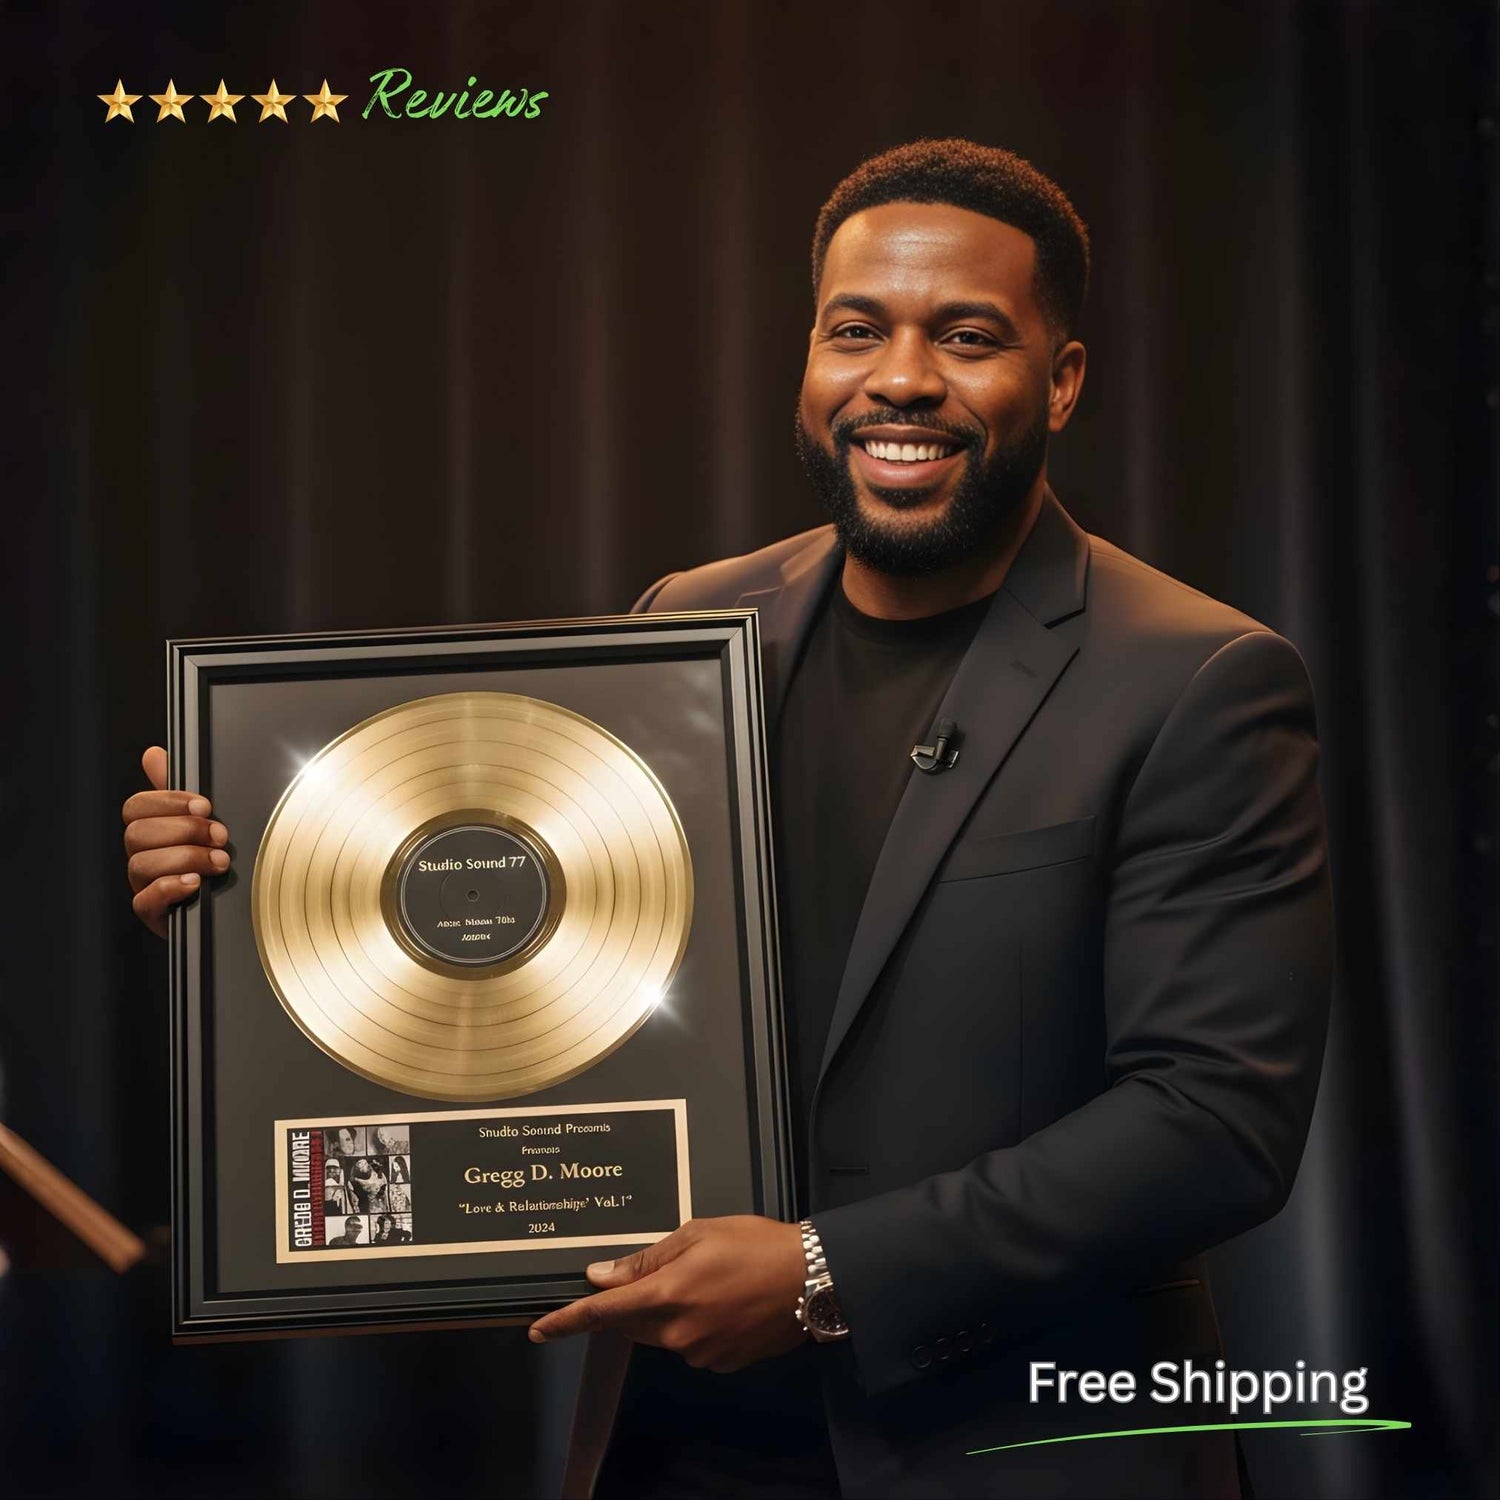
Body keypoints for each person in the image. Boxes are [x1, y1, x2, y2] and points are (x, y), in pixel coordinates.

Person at [121, 139, 1332, 1498]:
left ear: (1061, 380)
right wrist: (243, 898)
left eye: (969, 335)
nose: (901, 379)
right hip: (673, 1447)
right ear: (809, 360)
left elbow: (1213, 1122)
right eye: (854, 329)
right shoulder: (689, 625)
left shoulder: (1200, 679)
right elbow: (539, 957)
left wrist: (827, 1276)